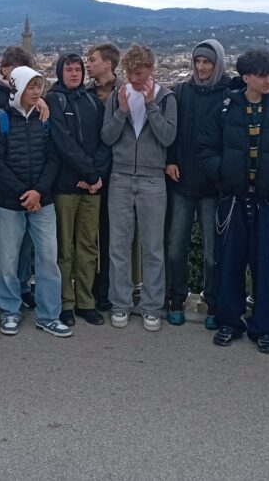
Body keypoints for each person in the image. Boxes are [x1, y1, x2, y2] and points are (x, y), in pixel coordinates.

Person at [197, 49, 269, 353]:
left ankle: (264, 326)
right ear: (246, 77)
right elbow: (205, 149)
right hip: (233, 199)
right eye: (262, 75)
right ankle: (229, 321)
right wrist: (224, 174)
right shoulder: (225, 109)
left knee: (268, 266)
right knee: (230, 264)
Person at [0, 66, 70, 337]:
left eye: (39, 86)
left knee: (48, 259)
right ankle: (9, 310)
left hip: (42, 201)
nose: (36, 92)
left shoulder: (45, 119)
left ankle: (49, 315)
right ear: (18, 88)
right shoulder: (1, 120)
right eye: (31, 87)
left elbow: (53, 158)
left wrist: (38, 192)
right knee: (8, 260)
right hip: (10, 202)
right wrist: (24, 193)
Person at [101, 44, 177, 332]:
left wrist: (151, 106)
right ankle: (120, 303)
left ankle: (152, 306)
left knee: (153, 247)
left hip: (152, 179)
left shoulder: (166, 98)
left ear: (151, 70)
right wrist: (121, 111)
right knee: (118, 246)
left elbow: (168, 137)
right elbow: (107, 137)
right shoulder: (117, 96)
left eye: (140, 73)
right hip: (120, 177)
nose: (134, 79)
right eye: (130, 73)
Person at [165, 39, 233, 328]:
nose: (202, 67)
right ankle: (176, 298)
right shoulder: (181, 92)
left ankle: (213, 301)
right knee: (175, 246)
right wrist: (170, 159)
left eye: (207, 62)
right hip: (182, 181)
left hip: (212, 186)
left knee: (212, 251)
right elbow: (172, 130)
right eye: (198, 61)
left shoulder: (230, 94)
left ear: (218, 64)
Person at [47, 53, 111, 327]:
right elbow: (63, 142)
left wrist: (96, 175)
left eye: (78, 69)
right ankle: (66, 302)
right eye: (69, 69)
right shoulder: (54, 100)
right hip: (66, 186)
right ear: (60, 72)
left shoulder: (92, 101)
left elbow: (105, 140)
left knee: (88, 246)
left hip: (91, 187)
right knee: (64, 248)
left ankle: (86, 301)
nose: (74, 74)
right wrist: (91, 173)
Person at [0, 46, 36, 309]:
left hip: (28, 181)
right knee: (3, 245)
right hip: (0, 181)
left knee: (25, 241)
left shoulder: (32, 95)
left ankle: (23, 284)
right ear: (4, 70)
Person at [86, 41, 122, 311]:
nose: (88, 64)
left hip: (117, 171)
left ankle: (106, 290)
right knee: (88, 235)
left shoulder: (124, 92)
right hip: (92, 170)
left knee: (111, 234)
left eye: (93, 59)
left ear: (107, 63)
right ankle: (87, 289)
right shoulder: (85, 92)